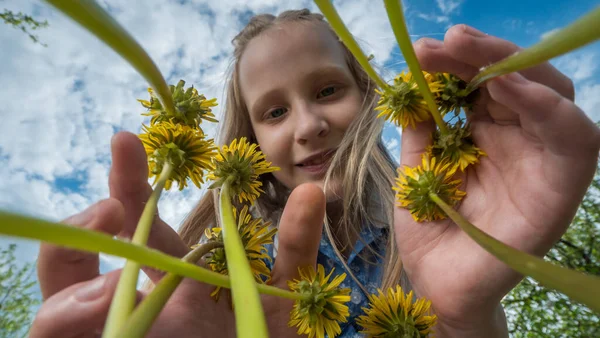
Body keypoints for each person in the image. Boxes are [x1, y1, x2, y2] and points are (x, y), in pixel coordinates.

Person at [31, 8, 600, 338]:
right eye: (274, 112)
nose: (308, 125)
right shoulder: (210, 274)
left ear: (371, 97)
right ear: (247, 138)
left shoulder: (440, 229)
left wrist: (467, 318)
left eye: (328, 90)